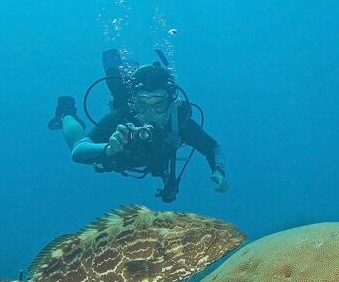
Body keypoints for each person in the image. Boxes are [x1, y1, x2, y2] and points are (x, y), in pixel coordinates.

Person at [50, 63, 228, 202]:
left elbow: (212, 147)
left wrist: (218, 171)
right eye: (142, 105)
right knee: (75, 138)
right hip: (118, 157)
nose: (150, 113)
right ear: (132, 104)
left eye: (158, 105)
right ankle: (66, 114)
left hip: (153, 160)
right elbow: (78, 151)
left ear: (171, 103)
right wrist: (107, 149)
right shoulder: (120, 118)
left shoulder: (179, 121)